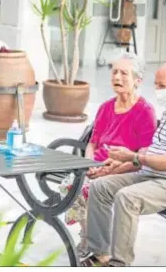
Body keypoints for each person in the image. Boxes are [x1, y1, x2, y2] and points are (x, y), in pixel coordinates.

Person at [81, 60, 166, 267]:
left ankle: (119, 264)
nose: (156, 91)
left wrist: (134, 157)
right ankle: (99, 253)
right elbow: (153, 149)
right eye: (156, 84)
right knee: (100, 187)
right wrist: (119, 164)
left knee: (127, 197)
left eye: (162, 86)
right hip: (154, 175)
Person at [61, 53, 157, 256]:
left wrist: (110, 170)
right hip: (96, 166)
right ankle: (88, 235)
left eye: (124, 73)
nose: (117, 77)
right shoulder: (105, 107)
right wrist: (89, 164)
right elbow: (93, 144)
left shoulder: (145, 111)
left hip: (123, 170)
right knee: (70, 184)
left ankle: (96, 245)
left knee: (92, 188)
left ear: (137, 81)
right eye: (114, 72)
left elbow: (142, 156)